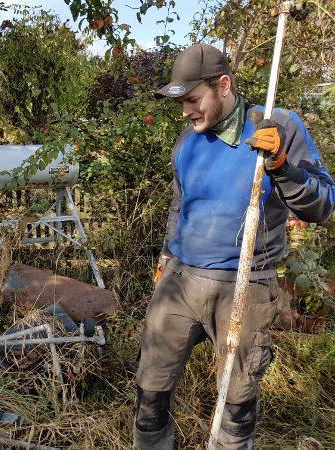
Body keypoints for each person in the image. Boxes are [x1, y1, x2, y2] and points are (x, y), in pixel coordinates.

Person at [133, 43, 335, 449]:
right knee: (150, 392)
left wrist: (281, 167)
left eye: (193, 100)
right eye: (181, 103)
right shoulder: (186, 143)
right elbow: (180, 205)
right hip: (179, 281)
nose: (185, 112)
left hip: (247, 285)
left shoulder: (276, 126)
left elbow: (324, 204)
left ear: (223, 85)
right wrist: (165, 258)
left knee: (237, 402)